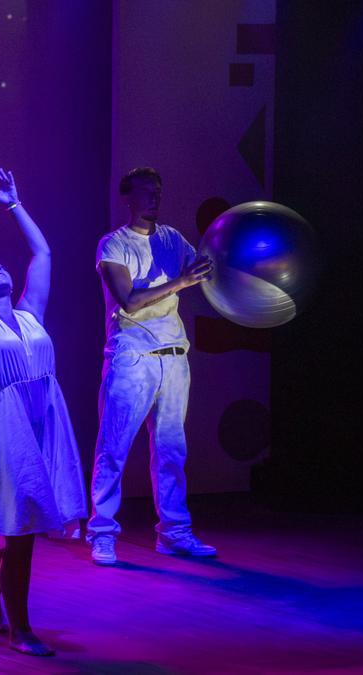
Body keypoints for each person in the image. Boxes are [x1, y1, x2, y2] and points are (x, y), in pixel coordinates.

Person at [0, 163, 87, 656]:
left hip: (46, 420)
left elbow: (43, 253)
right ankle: (20, 630)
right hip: (7, 428)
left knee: (20, 520)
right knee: (21, 532)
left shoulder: (30, 314)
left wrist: (13, 204)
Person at [87, 167, 217, 566]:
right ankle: (102, 532)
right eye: (146, 192)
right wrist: (179, 282)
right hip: (132, 357)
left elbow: (205, 271)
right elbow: (129, 301)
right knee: (114, 447)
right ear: (128, 198)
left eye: (158, 191)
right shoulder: (114, 244)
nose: (154, 198)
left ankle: (174, 532)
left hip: (173, 357)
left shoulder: (172, 239)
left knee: (171, 450)